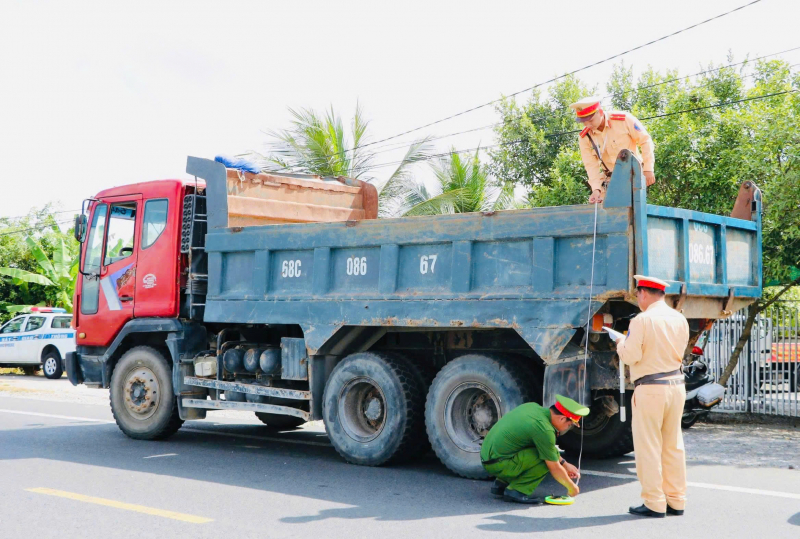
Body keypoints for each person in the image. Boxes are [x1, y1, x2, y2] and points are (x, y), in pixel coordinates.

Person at [614, 275, 690, 518]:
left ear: (644, 294)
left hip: (651, 388)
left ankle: (654, 502)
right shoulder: (679, 318)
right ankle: (676, 501)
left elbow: (631, 356)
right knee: (673, 446)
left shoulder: (641, 320)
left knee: (649, 446)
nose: (638, 299)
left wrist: (619, 343)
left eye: (637, 295)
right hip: (676, 386)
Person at [480, 395, 588, 504]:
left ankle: (501, 483)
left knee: (539, 450)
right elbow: (554, 467)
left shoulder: (533, 408)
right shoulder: (545, 430)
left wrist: (565, 464)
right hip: (497, 463)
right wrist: (572, 487)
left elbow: (545, 446)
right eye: (569, 425)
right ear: (562, 418)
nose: (568, 428)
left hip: (489, 456)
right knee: (545, 461)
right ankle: (516, 491)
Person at [569, 97, 656, 204]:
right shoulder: (585, 137)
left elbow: (645, 140)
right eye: (584, 122)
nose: (588, 125)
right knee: (607, 216)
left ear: (600, 112)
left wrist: (648, 168)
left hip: (632, 178)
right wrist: (596, 189)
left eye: (591, 120)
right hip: (609, 182)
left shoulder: (623, 120)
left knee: (634, 214)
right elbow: (590, 165)